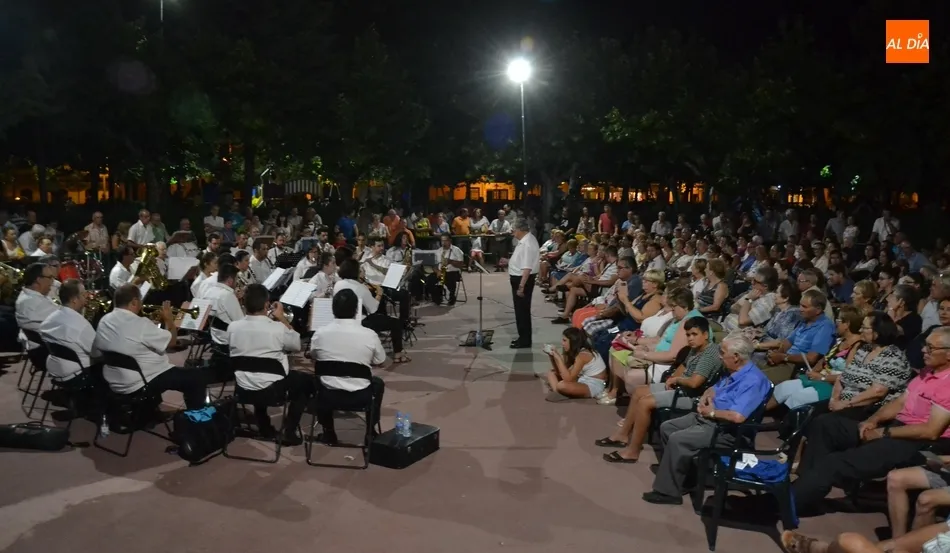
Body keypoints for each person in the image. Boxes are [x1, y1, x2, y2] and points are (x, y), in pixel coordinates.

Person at [792, 327, 950, 512]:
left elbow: (931, 431)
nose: (924, 350)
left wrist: (883, 433)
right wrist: (873, 421)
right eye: (925, 345)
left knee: (835, 462)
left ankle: (790, 502)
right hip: (896, 427)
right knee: (825, 424)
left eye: (931, 348)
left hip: (916, 441)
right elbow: (900, 402)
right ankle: (807, 485)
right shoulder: (927, 372)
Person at [642, 332, 772, 505]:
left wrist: (710, 413)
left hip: (728, 431)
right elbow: (715, 388)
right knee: (668, 427)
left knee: (678, 439)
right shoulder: (732, 370)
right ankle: (683, 476)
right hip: (710, 419)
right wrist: (707, 394)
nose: (719, 356)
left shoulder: (753, 381)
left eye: (722, 353)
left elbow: (738, 416)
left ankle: (669, 493)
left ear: (736, 357)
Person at [598, 316, 723, 463]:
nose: (690, 338)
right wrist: (671, 379)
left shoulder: (709, 354)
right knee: (639, 391)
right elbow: (684, 366)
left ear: (706, 335)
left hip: (691, 396)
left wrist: (677, 380)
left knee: (645, 403)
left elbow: (695, 383)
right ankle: (623, 434)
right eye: (688, 335)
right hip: (680, 388)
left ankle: (633, 451)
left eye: (694, 334)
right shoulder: (696, 349)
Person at [93, 284, 214, 409]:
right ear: (134, 302)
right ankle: (196, 418)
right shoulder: (140, 323)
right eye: (140, 300)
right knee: (196, 377)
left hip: (116, 380)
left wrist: (151, 326)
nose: (141, 303)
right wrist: (169, 320)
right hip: (143, 380)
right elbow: (171, 342)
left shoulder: (104, 321)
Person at [228, 283, 312, 446]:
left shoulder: (233, 327)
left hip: (243, 388)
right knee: (306, 383)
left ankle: (264, 425)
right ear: (267, 304)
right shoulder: (276, 328)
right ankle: (289, 430)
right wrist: (281, 319)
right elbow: (296, 345)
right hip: (272, 391)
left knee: (257, 373)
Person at [310, 288, 387, 445]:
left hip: (328, 395)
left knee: (316, 382)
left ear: (333, 309)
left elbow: (314, 356)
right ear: (356, 309)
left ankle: (329, 432)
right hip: (360, 396)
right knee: (378, 383)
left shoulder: (320, 333)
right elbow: (380, 360)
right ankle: (370, 433)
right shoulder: (369, 334)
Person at [334, 258, 409, 363]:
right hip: (360, 321)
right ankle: (398, 354)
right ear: (356, 272)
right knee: (395, 323)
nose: (363, 272)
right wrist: (379, 294)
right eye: (361, 270)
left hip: (341, 319)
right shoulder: (361, 288)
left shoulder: (338, 284)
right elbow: (373, 309)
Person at [39, 279, 99, 385]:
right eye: (84, 294)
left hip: (56, 371)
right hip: (78, 375)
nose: (87, 297)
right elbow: (97, 352)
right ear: (74, 299)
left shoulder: (49, 319)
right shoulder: (81, 326)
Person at [543, 327, 607, 400]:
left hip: (593, 385)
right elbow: (560, 372)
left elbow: (568, 379)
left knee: (562, 385)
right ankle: (559, 393)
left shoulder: (583, 355)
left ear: (573, 341)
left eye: (565, 341)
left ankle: (560, 392)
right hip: (582, 379)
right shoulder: (574, 351)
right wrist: (552, 357)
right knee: (551, 373)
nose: (562, 343)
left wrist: (558, 357)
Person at [508, 219, 540, 348]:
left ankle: (524, 340)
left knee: (522, 311)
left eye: (514, 229)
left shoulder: (527, 243)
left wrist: (521, 287)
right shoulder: (527, 239)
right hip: (521, 279)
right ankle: (523, 337)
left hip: (522, 280)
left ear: (520, 229)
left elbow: (527, 268)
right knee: (521, 310)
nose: (512, 232)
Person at [198, 263, 244, 347]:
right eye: (236, 279)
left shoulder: (208, 291)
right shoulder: (227, 295)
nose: (237, 282)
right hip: (229, 340)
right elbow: (241, 322)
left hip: (215, 337)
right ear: (230, 280)